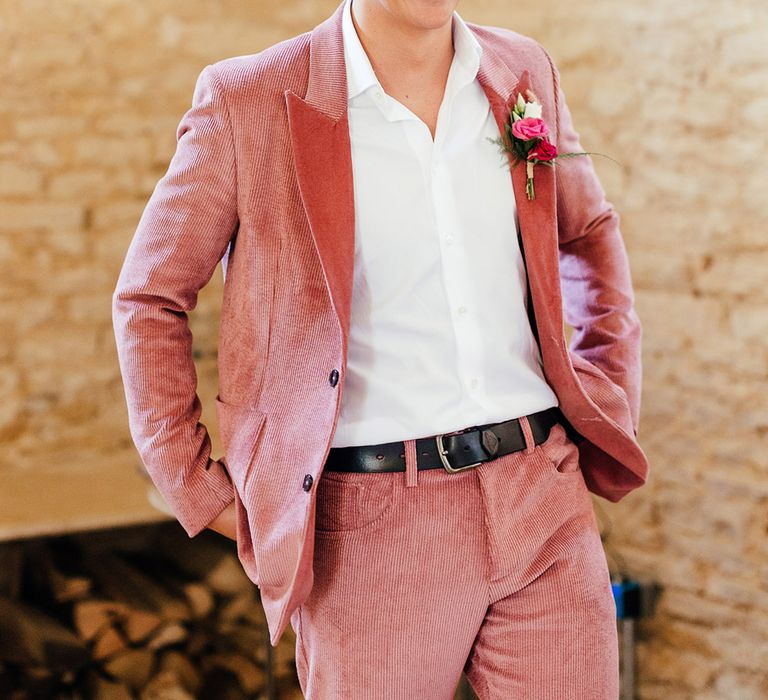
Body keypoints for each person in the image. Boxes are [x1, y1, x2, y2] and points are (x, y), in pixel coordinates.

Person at [112, 0, 649, 696]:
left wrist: (608, 389)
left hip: (543, 495)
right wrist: (195, 487)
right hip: (367, 527)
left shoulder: (522, 70)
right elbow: (150, 296)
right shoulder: (248, 99)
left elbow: (586, 235)